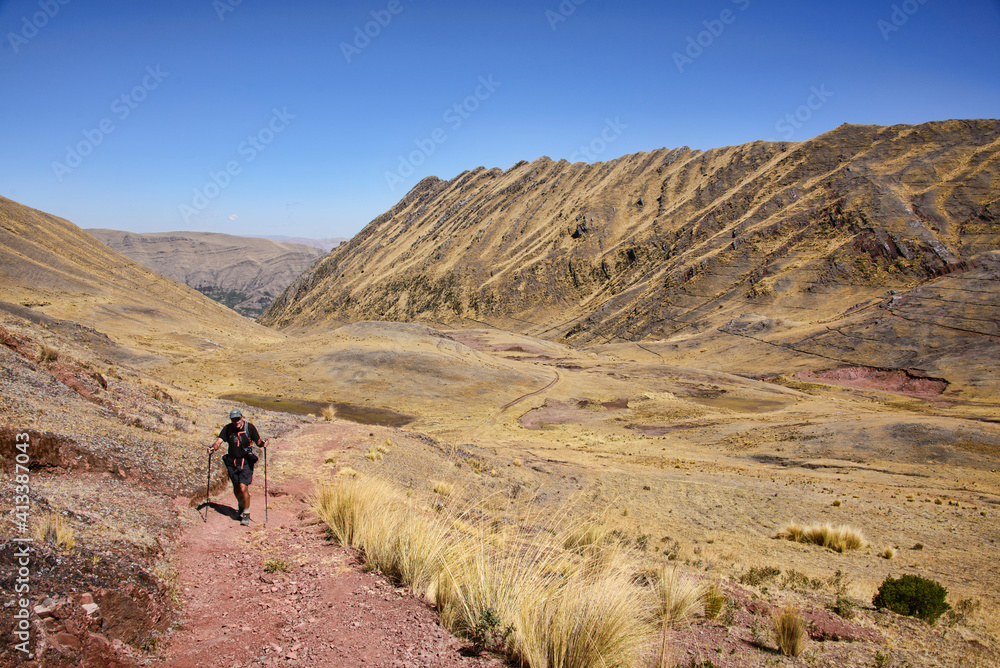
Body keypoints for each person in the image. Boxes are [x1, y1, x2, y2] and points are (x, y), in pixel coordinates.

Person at [209, 409, 268, 526]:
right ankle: (241, 504)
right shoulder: (228, 429)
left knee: (242, 487)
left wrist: (263, 444)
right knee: (236, 487)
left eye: (238, 419)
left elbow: (258, 442)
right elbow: (218, 441)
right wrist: (213, 448)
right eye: (233, 420)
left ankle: (246, 513)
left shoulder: (249, 428)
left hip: (246, 462)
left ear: (242, 417)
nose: (236, 422)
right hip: (232, 462)